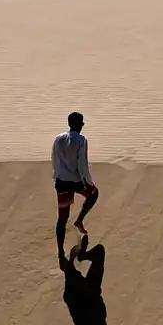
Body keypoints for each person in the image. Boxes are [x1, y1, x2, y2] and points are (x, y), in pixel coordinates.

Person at [52, 110, 98, 256]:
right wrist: (88, 182)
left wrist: (57, 175)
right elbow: (82, 165)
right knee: (94, 193)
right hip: (76, 181)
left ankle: (60, 251)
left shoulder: (58, 138)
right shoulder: (81, 140)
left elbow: (54, 159)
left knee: (62, 219)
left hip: (61, 181)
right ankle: (79, 220)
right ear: (81, 124)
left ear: (69, 123)